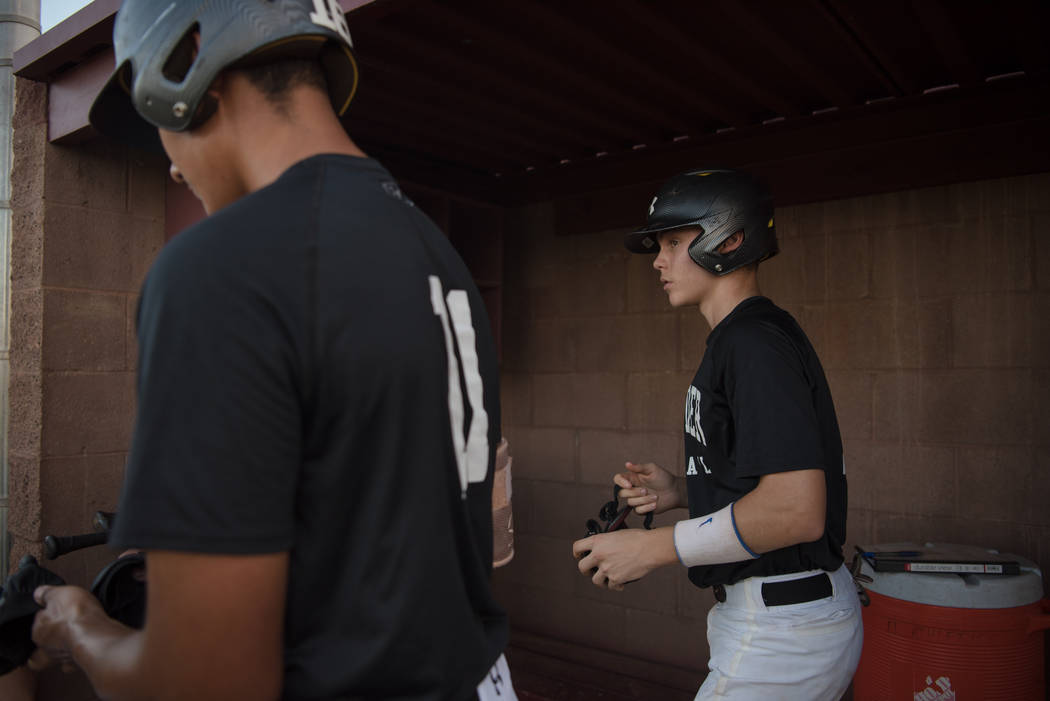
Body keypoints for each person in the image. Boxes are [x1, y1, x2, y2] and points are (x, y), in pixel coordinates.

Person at [27, 1, 514, 699]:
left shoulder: (219, 267)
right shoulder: (436, 252)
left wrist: (80, 626)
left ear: (188, 61)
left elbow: (202, 685)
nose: (171, 166)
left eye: (157, 124)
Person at [572, 169, 862, 699]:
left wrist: (653, 548)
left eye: (675, 242)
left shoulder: (752, 343)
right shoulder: (740, 339)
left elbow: (797, 510)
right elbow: (768, 482)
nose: (659, 260)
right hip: (778, 619)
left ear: (728, 239)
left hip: (783, 629)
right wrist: (683, 492)